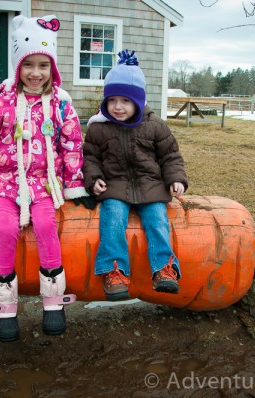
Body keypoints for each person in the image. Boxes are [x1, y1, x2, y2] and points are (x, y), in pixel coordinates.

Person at [0, 14, 95, 343]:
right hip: (6, 184)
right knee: (5, 230)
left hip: (45, 183)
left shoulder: (62, 105)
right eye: (28, 64)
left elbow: (72, 145)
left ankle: (53, 303)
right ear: (17, 67)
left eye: (43, 65)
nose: (36, 73)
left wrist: (75, 186)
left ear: (53, 69)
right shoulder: (1, 103)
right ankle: (5, 309)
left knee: (47, 228)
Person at [82, 50, 189, 301]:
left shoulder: (155, 125)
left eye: (125, 101)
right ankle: (114, 271)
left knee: (157, 221)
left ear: (138, 102)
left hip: (151, 186)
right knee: (112, 220)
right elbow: (90, 158)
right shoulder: (98, 128)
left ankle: (164, 268)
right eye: (112, 100)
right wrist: (93, 178)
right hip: (115, 187)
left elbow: (170, 156)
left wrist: (176, 179)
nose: (117, 107)